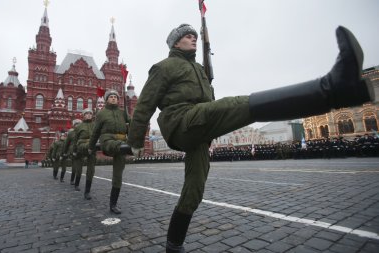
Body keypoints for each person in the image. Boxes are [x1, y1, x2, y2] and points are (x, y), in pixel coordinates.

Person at [127, 24, 374, 252]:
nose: (193, 38)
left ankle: (174, 243)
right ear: (175, 43)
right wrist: (136, 142)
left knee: (194, 191)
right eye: (187, 35)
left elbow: (209, 101)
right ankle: (331, 88)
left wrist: (213, 127)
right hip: (180, 122)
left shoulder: (200, 70)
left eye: (195, 35)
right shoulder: (164, 67)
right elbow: (144, 105)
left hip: (201, 128)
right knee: (235, 104)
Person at [89, 90, 131, 214]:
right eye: (111, 97)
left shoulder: (123, 113)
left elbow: (131, 127)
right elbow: (96, 131)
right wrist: (91, 146)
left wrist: (134, 128)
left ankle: (113, 204)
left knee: (118, 175)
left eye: (115, 97)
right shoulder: (102, 114)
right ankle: (130, 149)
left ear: (118, 100)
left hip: (122, 143)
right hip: (107, 140)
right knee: (115, 145)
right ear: (107, 100)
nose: (113, 98)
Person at [73, 108, 97, 199]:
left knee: (91, 170)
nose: (89, 115)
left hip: (92, 148)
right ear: (83, 115)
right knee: (78, 169)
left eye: (90, 113)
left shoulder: (95, 125)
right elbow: (75, 140)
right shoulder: (79, 127)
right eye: (87, 114)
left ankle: (87, 192)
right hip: (81, 147)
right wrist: (74, 151)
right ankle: (76, 184)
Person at [62, 119, 82, 185]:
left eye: (79, 123)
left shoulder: (82, 132)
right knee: (74, 168)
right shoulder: (71, 133)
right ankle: (72, 180)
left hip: (80, 151)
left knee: (79, 169)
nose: (77, 125)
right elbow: (66, 144)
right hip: (73, 152)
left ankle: (77, 182)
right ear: (74, 125)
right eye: (76, 124)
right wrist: (65, 152)